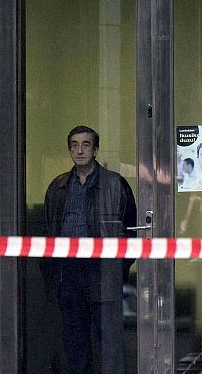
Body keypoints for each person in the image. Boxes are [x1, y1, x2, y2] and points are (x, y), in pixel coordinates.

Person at [41, 125, 137, 374]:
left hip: (103, 272)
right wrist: (53, 274)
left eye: (85, 145)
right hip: (68, 274)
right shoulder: (58, 187)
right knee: (75, 341)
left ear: (95, 150)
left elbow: (130, 232)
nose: (79, 150)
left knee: (109, 342)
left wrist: (118, 269)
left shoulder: (115, 184)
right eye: (74, 145)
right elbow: (49, 229)